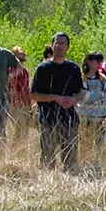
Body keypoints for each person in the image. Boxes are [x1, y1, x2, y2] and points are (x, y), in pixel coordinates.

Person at [30, 32, 84, 171]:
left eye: (63, 43)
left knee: (70, 157)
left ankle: (70, 183)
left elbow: (81, 91)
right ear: (52, 46)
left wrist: (74, 99)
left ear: (68, 47)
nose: (59, 46)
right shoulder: (43, 69)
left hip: (69, 119)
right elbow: (34, 95)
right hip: (48, 119)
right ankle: (48, 184)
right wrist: (55, 98)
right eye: (57, 43)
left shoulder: (73, 68)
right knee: (48, 157)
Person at [78, 52, 106, 158]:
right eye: (97, 61)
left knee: (100, 143)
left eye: (100, 61)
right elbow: (84, 96)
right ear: (89, 62)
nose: (99, 64)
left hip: (100, 117)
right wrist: (98, 94)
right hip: (84, 117)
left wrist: (94, 95)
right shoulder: (81, 78)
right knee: (85, 142)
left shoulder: (102, 78)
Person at [7, 46, 33, 138]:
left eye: (21, 58)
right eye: (17, 58)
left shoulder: (24, 71)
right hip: (14, 104)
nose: (20, 61)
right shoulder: (9, 70)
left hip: (25, 103)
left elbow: (26, 88)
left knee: (25, 131)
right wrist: (17, 70)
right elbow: (7, 82)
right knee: (18, 131)